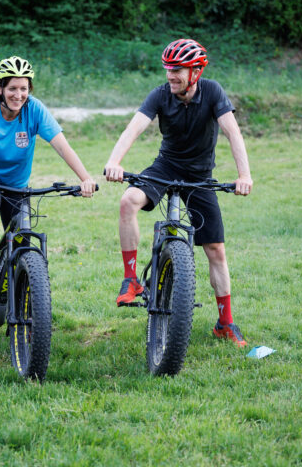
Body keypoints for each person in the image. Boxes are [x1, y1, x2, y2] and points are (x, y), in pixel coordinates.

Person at [103, 38, 253, 347]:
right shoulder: (160, 95)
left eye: (178, 70)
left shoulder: (212, 92)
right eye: (168, 69)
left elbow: (232, 132)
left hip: (199, 175)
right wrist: (114, 161)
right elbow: (133, 129)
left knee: (215, 250)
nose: (171, 75)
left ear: (196, 72)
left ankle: (225, 322)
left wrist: (244, 175)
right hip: (166, 166)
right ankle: (131, 280)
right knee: (128, 200)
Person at [0, 56, 96, 288]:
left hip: (16, 184)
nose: (18, 95)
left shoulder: (35, 109)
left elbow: (61, 145)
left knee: (21, 242)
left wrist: (85, 178)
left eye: (24, 88)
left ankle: (16, 303)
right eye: (12, 88)